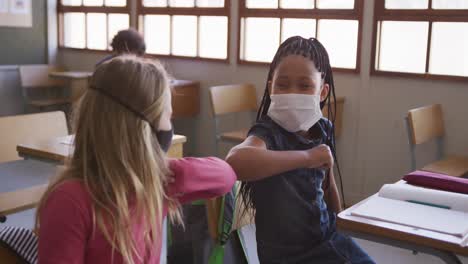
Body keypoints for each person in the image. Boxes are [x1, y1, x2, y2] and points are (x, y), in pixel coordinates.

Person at [36, 55, 236, 264]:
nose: (170, 126)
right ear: (143, 131)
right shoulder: (70, 200)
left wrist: (163, 171)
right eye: (167, 117)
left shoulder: (157, 184)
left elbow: (226, 176)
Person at [226, 36, 374, 263]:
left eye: (304, 85)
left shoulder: (323, 129)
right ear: (270, 87)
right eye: (282, 84)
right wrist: (306, 157)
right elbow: (236, 161)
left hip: (327, 241)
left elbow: (328, 192)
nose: (291, 92)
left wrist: (328, 174)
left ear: (322, 92)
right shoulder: (268, 132)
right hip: (286, 256)